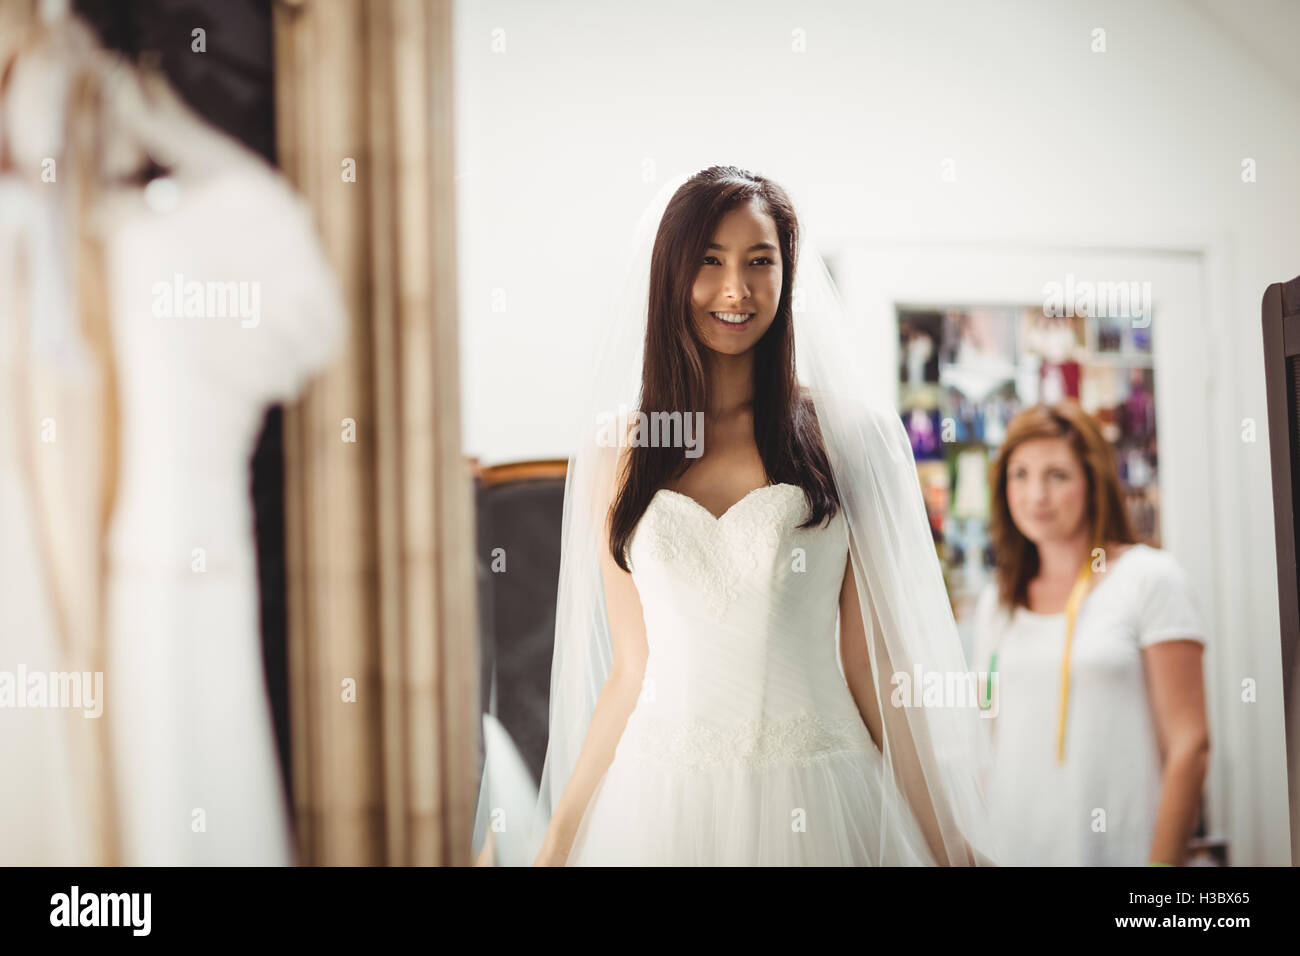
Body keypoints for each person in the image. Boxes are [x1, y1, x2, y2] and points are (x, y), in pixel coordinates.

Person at [472, 165, 1002, 866]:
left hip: (817, 791)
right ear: (672, 277)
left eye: (761, 262)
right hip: (659, 801)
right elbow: (631, 671)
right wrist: (557, 842)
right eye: (710, 262)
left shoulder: (846, 436)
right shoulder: (618, 451)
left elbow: (872, 666)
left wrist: (950, 846)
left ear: (788, 278)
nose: (736, 289)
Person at [972, 402, 1210, 865]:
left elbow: (1190, 745)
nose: (1036, 494)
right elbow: (989, 742)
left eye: (1057, 475)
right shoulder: (997, 604)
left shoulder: (1149, 579)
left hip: (1123, 848)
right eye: (1019, 474)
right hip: (1016, 848)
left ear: (1092, 483)